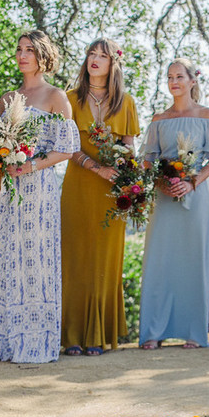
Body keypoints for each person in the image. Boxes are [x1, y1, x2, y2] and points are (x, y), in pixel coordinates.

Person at [0, 30, 78, 363]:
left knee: (33, 258)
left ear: (43, 55)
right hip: (6, 190)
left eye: (29, 49)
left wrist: (29, 167)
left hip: (39, 189)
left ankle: (33, 343)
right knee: (2, 254)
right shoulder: (7, 98)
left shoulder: (56, 96)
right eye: (19, 49)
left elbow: (67, 149)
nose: (22, 55)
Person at [138, 58, 209, 349]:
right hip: (164, 198)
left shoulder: (207, 115)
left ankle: (193, 332)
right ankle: (153, 332)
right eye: (169, 77)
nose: (174, 82)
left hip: (196, 195)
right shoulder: (158, 120)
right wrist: (163, 182)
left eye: (179, 76)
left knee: (193, 262)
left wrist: (192, 182)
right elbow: (148, 159)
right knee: (159, 261)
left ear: (192, 80)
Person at [60, 38, 140, 356]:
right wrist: (96, 167)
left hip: (112, 193)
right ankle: (73, 336)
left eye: (102, 55)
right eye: (91, 54)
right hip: (77, 187)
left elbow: (130, 148)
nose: (95, 59)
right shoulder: (68, 99)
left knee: (104, 262)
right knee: (76, 259)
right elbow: (66, 147)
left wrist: (120, 167)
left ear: (113, 64)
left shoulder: (127, 103)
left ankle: (99, 336)